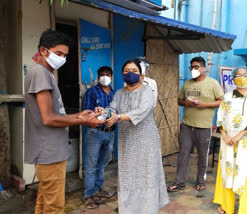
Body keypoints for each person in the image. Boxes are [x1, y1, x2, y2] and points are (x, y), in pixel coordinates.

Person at [24, 29, 104, 214]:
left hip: (49, 150)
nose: (62, 59)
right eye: (58, 53)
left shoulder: (45, 74)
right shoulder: (41, 73)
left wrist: (79, 116)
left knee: (44, 203)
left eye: (65, 55)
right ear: (43, 51)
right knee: (55, 207)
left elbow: (53, 113)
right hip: (49, 151)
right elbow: (48, 118)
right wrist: (82, 122)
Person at [99, 59, 169, 214]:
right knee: (128, 175)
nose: (130, 73)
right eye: (126, 70)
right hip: (127, 141)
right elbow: (112, 108)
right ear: (122, 74)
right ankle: (129, 209)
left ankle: (148, 209)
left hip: (146, 140)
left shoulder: (147, 91)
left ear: (141, 76)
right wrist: (105, 112)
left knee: (147, 174)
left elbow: (142, 110)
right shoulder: (119, 93)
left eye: (134, 71)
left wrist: (118, 117)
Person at [168, 56, 224, 192]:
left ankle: (200, 181)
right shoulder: (187, 84)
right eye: (191, 67)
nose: (194, 69)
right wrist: (185, 103)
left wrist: (204, 105)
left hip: (204, 126)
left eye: (196, 67)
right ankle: (179, 182)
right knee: (183, 153)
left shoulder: (213, 83)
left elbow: (222, 101)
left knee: (202, 155)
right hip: (187, 125)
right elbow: (179, 100)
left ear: (203, 68)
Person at [213, 67, 247, 214]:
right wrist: (224, 134)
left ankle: (246, 209)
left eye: (244, 75)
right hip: (227, 139)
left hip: (246, 139)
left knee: (244, 171)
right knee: (227, 170)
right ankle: (226, 205)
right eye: (238, 75)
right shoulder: (228, 96)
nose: (241, 77)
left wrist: (238, 136)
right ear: (233, 79)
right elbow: (221, 115)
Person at [82, 66, 115, 209]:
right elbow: (85, 113)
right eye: (102, 75)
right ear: (98, 77)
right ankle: (88, 195)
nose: (105, 77)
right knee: (91, 165)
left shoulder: (115, 93)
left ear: (111, 77)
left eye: (107, 74)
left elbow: (117, 112)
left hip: (110, 132)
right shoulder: (92, 92)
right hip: (95, 133)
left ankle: (98, 189)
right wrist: (94, 116)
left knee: (102, 164)